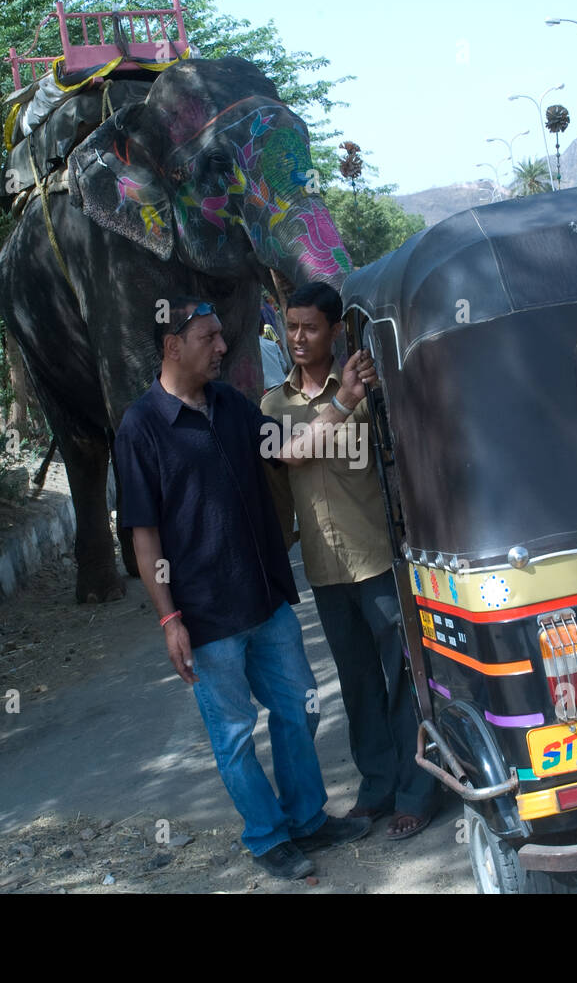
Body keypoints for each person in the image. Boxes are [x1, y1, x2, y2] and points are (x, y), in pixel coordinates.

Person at [115, 295, 377, 880]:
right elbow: (144, 537)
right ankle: (267, 836)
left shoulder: (230, 405)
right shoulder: (142, 427)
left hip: (264, 599)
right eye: (208, 337)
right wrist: (168, 620)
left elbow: (289, 448)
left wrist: (342, 402)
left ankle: (307, 818)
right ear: (171, 345)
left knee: (299, 709)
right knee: (234, 736)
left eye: (219, 336)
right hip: (205, 618)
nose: (222, 346)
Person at [263, 281, 438, 840]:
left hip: (379, 559)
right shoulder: (275, 405)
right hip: (324, 569)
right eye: (291, 327)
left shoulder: (370, 387)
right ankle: (377, 789)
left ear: (335, 331)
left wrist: (364, 395)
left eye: (310, 327)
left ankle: (419, 791)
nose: (298, 338)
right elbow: (285, 459)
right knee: (357, 682)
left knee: (403, 678)